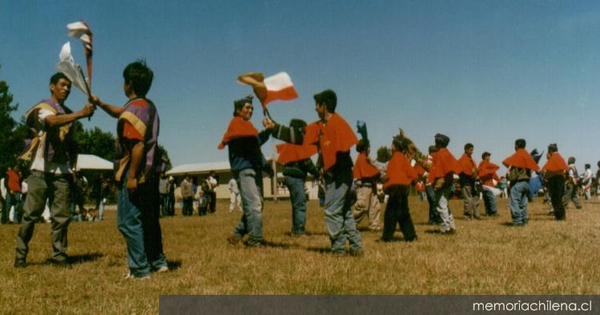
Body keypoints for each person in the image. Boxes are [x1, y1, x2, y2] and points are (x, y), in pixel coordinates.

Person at [90, 60, 168, 278]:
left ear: (129, 84)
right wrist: (101, 103)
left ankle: (139, 269)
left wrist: (132, 176)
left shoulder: (131, 112)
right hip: (151, 172)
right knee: (149, 219)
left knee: (127, 221)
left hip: (134, 173)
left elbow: (137, 146)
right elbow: (122, 112)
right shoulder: (147, 107)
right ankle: (158, 261)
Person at [266, 89, 363, 255]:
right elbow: (299, 136)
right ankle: (356, 248)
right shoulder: (320, 126)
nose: (315, 109)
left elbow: (343, 150)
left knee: (332, 211)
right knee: (344, 211)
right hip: (335, 176)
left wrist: (332, 171)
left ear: (324, 106)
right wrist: (275, 128)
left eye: (316, 106)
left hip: (340, 176)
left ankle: (339, 250)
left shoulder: (339, 124)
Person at [14, 72, 95, 268]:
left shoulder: (68, 115)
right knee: (31, 214)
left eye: (68, 86)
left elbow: (72, 144)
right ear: (52, 86)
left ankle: (59, 255)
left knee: (61, 216)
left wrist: (73, 168)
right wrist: (81, 113)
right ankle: (20, 255)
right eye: (62, 84)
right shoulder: (43, 108)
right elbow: (51, 122)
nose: (66, 88)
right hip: (40, 169)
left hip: (62, 171)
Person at [220, 95, 272, 247]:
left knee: (257, 204)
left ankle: (236, 234)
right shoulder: (236, 124)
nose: (251, 110)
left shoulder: (246, 126)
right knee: (254, 206)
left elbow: (255, 149)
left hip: (253, 169)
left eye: (252, 108)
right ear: (237, 110)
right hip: (245, 170)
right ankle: (255, 240)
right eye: (247, 108)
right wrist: (268, 131)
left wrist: (266, 167)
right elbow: (255, 142)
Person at [276, 119, 319, 236]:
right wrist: (317, 173)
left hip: (290, 177)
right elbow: (306, 162)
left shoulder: (289, 144)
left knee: (296, 205)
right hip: (296, 178)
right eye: (304, 131)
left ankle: (295, 230)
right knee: (300, 204)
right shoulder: (297, 144)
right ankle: (299, 231)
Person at [380, 134, 418, 242]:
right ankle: (411, 236)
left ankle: (386, 237)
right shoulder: (403, 158)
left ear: (396, 146)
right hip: (403, 189)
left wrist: (385, 186)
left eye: (392, 144)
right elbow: (412, 173)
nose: (390, 146)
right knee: (404, 213)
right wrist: (412, 181)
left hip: (395, 189)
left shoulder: (395, 158)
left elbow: (390, 176)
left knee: (390, 214)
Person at [427, 134, 462, 234]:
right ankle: (452, 226)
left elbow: (440, 172)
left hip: (442, 184)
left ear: (438, 143)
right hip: (448, 184)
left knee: (441, 207)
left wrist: (438, 185)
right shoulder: (447, 153)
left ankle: (446, 228)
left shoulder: (439, 154)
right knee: (445, 206)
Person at [502, 138, 540, 226]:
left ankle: (517, 221)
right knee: (523, 202)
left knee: (514, 201)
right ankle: (524, 219)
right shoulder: (527, 156)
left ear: (516, 146)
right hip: (526, 182)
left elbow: (513, 174)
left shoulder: (517, 156)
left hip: (518, 183)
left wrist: (509, 178)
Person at [352, 139, 382, 231]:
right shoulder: (361, 158)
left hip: (371, 186)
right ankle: (350, 223)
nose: (370, 149)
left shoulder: (366, 158)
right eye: (368, 147)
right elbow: (367, 172)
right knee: (363, 206)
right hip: (363, 186)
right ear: (365, 148)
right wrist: (378, 173)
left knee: (375, 206)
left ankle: (374, 225)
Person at [541, 144, 568, 221]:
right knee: (558, 198)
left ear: (550, 151)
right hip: (560, 179)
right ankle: (561, 215)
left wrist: (544, 176)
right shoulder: (560, 157)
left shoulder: (553, 158)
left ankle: (559, 216)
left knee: (555, 198)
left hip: (555, 180)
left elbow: (546, 169)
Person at [457, 143, 480, 220]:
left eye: (472, 150)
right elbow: (464, 171)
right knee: (468, 199)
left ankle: (477, 215)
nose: (472, 151)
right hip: (466, 182)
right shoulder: (463, 160)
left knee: (475, 198)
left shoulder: (470, 159)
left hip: (472, 182)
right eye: (471, 150)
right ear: (466, 150)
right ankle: (467, 216)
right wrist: (472, 172)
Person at [478, 151, 500, 217]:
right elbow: (494, 173)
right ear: (485, 157)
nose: (489, 158)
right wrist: (499, 181)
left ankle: (488, 212)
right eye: (488, 156)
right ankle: (493, 212)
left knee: (486, 199)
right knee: (492, 199)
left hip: (483, 185)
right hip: (489, 185)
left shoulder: (480, 165)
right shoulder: (487, 164)